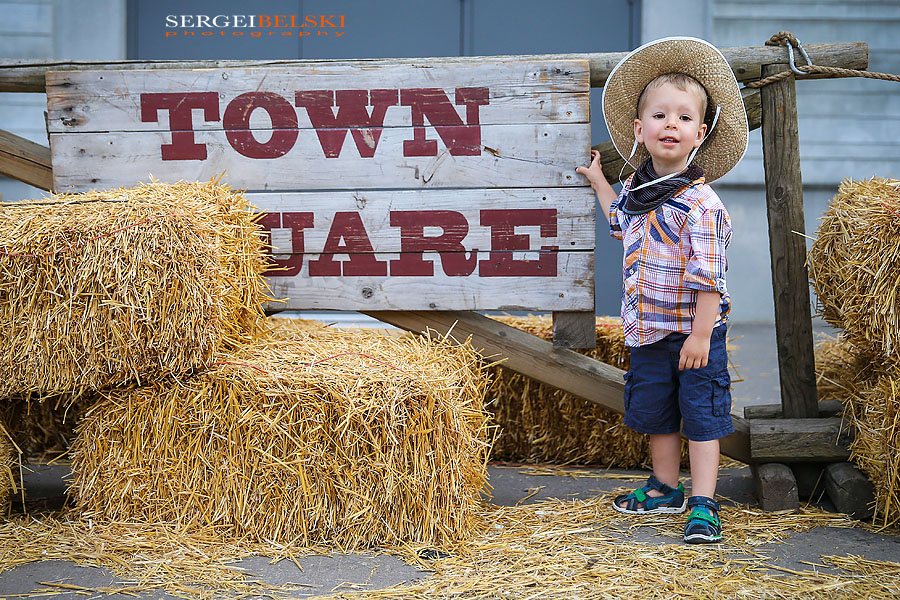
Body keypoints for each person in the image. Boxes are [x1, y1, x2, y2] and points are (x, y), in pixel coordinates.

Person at [576, 37, 748, 544]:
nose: (670, 124)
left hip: (693, 334)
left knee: (702, 416)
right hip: (647, 329)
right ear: (639, 129)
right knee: (655, 412)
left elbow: (710, 277)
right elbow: (620, 221)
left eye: (683, 118)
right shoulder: (637, 188)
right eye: (659, 115)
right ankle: (665, 487)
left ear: (700, 135)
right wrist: (598, 182)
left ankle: (704, 501)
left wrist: (700, 336)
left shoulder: (701, 203)